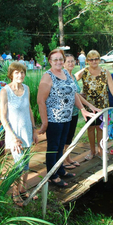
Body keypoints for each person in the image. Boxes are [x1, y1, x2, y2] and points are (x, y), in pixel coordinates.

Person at [37, 49, 93, 187]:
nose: (58, 62)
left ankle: (60, 169)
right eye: (55, 59)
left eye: (60, 59)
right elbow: (40, 101)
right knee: (53, 147)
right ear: (50, 61)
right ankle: (52, 175)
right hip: (54, 119)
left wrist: (82, 109)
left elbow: (74, 94)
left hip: (67, 118)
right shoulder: (47, 76)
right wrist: (44, 122)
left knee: (61, 146)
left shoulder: (65, 73)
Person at [0, 62, 38, 207]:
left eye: (22, 72)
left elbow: (29, 109)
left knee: (26, 163)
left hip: (27, 131)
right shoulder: (5, 91)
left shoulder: (26, 88)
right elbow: (3, 117)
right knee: (19, 165)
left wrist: (34, 129)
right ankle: (15, 193)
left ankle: (23, 189)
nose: (20, 75)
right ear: (11, 74)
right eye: (16, 73)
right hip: (14, 134)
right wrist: (12, 136)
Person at [75, 50, 113, 161]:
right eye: (91, 59)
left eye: (96, 58)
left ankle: (101, 151)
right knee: (91, 128)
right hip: (89, 105)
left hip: (102, 105)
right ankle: (92, 151)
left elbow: (112, 88)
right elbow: (71, 80)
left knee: (100, 128)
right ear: (87, 61)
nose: (94, 61)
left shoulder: (105, 72)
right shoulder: (84, 71)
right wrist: (77, 93)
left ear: (99, 59)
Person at [62, 54, 100, 169]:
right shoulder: (63, 76)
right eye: (68, 61)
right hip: (65, 112)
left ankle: (68, 157)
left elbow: (76, 94)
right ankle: (63, 160)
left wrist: (89, 105)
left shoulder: (73, 76)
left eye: (72, 61)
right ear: (63, 63)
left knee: (70, 136)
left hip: (74, 111)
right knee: (65, 136)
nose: (70, 64)